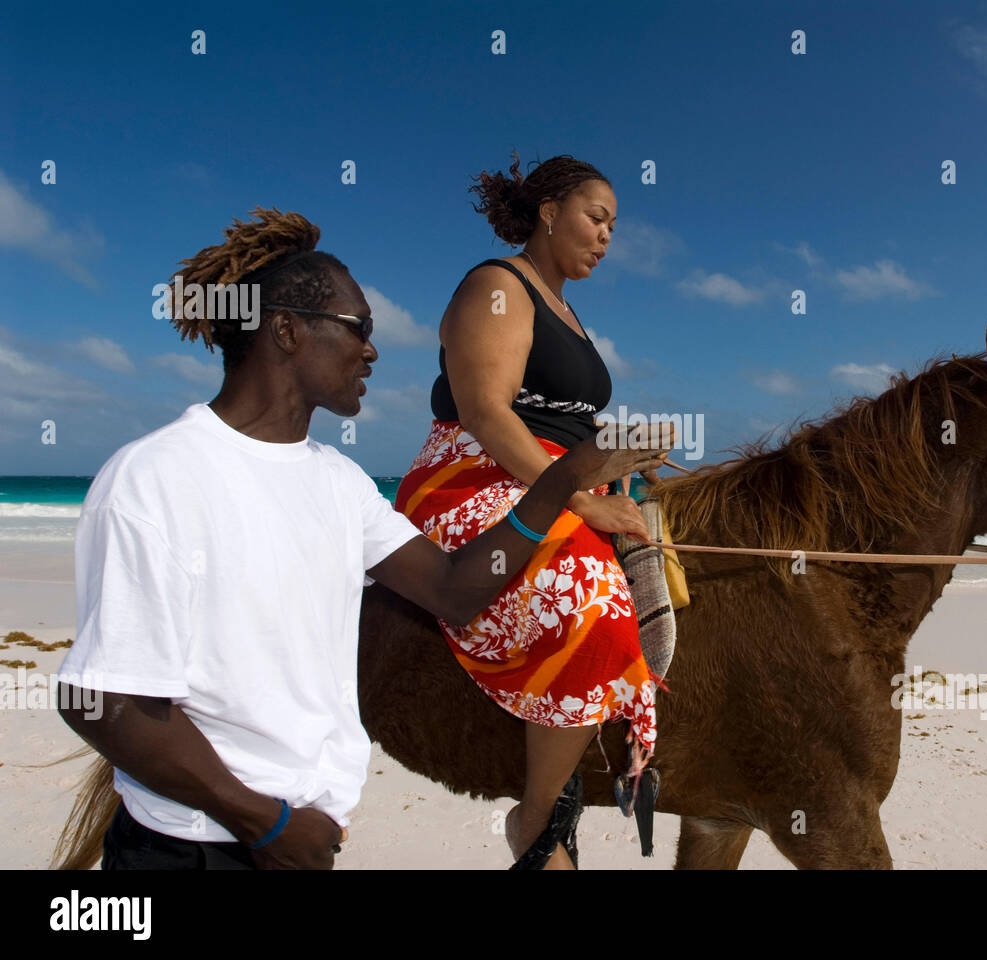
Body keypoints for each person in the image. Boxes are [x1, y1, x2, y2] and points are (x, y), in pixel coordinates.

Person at [53, 207, 671, 870]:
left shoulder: (341, 484)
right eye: (359, 329)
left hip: (301, 843)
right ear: (287, 331)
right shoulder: (155, 477)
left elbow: (456, 591)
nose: (373, 349)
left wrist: (565, 482)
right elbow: (102, 702)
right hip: (197, 849)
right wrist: (264, 824)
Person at [395, 153, 662, 870]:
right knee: (594, 601)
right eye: (596, 217)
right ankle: (538, 822)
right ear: (549, 212)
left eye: (613, 226)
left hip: (559, 474)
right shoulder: (497, 286)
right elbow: (485, 411)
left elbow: (566, 424)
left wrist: (622, 466)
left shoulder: (568, 311)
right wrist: (576, 500)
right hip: (474, 473)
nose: (607, 237)